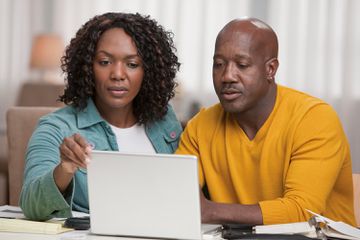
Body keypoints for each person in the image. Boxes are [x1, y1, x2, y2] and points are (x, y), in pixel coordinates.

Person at [176, 17, 356, 226]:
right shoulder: (200, 125)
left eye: (242, 65)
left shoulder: (314, 119)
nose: (227, 76)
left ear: (270, 69)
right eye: (219, 64)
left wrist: (209, 211)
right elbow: (178, 194)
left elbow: (302, 211)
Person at [20, 12, 182, 220]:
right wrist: (65, 169)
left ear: (148, 71)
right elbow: (31, 205)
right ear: (87, 66)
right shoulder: (57, 128)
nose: (117, 74)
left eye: (132, 64)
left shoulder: (164, 118)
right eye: (104, 62)